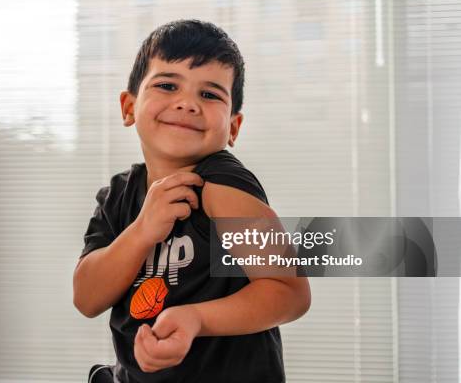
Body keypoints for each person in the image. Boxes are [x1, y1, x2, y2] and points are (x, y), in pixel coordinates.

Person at [73, 19, 311, 383]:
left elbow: (289, 291)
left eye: (210, 94)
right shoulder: (118, 195)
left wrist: (198, 318)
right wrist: (141, 232)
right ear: (128, 107)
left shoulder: (220, 184)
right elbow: (87, 298)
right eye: (167, 85)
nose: (187, 103)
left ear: (232, 127)